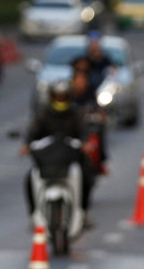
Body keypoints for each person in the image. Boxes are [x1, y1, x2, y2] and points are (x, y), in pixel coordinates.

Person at [20, 80, 94, 226]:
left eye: (64, 96)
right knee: (29, 179)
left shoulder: (75, 113)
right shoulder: (44, 114)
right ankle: (33, 214)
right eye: (58, 96)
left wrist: (85, 144)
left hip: (69, 159)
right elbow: (33, 132)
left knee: (86, 177)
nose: (61, 99)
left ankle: (83, 212)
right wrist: (26, 145)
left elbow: (83, 131)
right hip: (48, 160)